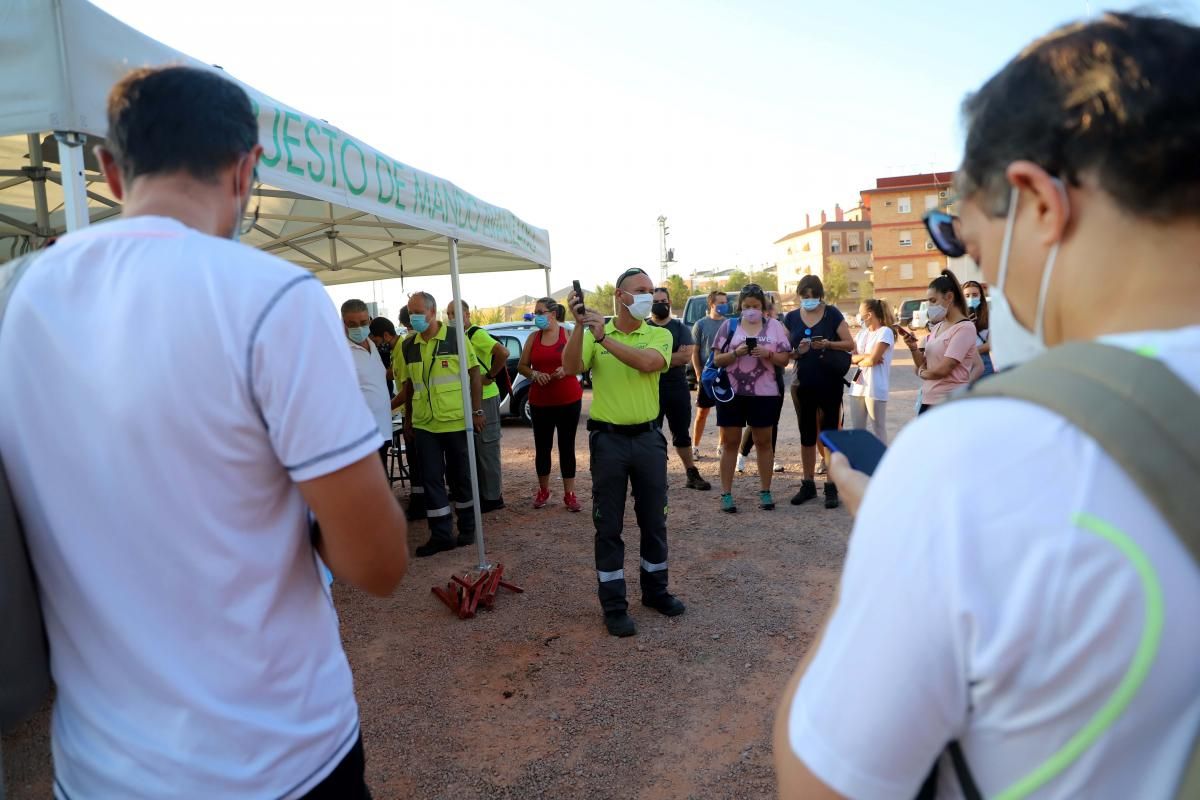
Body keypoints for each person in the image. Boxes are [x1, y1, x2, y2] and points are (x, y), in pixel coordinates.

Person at [775, 12, 1200, 798]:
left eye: (968, 242)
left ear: (1038, 202)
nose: (984, 277)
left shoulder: (983, 456)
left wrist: (892, 528)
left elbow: (822, 783)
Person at [0, 66, 407, 799]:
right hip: (283, 756)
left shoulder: (13, 301)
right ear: (247, 168)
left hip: (99, 772)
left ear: (111, 171)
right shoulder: (272, 297)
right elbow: (378, 563)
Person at [563, 267, 685, 638]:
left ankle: (655, 591)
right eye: (640, 290)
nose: (649, 296)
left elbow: (647, 363)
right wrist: (580, 327)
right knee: (608, 525)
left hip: (648, 439)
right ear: (620, 295)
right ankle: (614, 605)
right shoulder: (594, 332)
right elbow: (570, 368)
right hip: (609, 441)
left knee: (654, 520)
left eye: (651, 290)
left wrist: (604, 340)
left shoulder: (659, 334)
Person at [395, 291, 485, 557]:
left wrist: (477, 411)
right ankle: (441, 535)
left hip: (455, 421)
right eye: (411, 312)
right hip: (425, 425)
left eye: (418, 312)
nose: (414, 317)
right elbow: (409, 386)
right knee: (432, 480)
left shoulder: (456, 337)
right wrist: (408, 419)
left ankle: (467, 528)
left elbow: (475, 373)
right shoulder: (409, 345)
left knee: (461, 478)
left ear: (432, 313)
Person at [710, 284, 793, 513]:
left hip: (765, 394)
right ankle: (726, 494)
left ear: (763, 307)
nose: (751, 310)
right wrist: (736, 353)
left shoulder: (774, 326)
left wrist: (768, 354)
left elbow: (785, 359)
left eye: (755, 306)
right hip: (732, 394)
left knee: (764, 442)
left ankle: (765, 491)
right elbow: (717, 360)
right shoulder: (729, 326)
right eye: (747, 306)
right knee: (730, 442)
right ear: (740, 307)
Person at [784, 275, 853, 509]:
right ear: (799, 295)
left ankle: (831, 487)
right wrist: (797, 351)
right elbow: (785, 352)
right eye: (805, 296)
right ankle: (808, 484)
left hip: (830, 383)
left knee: (830, 434)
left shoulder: (832, 314)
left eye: (813, 296)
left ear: (820, 295)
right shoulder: (791, 317)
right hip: (802, 384)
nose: (809, 300)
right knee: (806, 435)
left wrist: (828, 344)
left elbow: (849, 343)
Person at [517, 298, 584, 511]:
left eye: (540, 312)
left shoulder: (568, 333)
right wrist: (535, 374)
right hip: (540, 402)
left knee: (567, 447)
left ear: (553, 314)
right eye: (535, 312)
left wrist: (566, 369)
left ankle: (569, 494)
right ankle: (543, 490)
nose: (536, 316)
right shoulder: (533, 338)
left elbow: (581, 363)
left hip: (568, 399)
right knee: (542, 448)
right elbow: (522, 366)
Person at [446, 299, 510, 512]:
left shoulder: (476, 334)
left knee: (487, 446)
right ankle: (482, 493)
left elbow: (502, 353)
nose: (452, 318)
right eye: (449, 314)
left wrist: (490, 375)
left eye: (456, 313)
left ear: (467, 315)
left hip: (485, 396)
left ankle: (493, 497)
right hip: (471, 397)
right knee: (474, 448)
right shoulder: (456, 337)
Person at [649, 287, 712, 490]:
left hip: (676, 388)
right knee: (650, 436)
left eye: (663, 300)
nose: (660, 304)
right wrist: (669, 358)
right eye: (656, 301)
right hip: (649, 389)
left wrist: (653, 360)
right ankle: (652, 479)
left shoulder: (679, 327)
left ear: (669, 301)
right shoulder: (644, 329)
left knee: (681, 434)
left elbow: (685, 357)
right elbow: (641, 358)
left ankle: (691, 474)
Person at [899, 269, 979, 414]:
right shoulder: (938, 327)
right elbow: (923, 364)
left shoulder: (964, 328)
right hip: (929, 399)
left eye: (933, 300)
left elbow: (942, 370)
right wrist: (913, 348)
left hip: (950, 402)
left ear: (949, 297)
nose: (930, 306)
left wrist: (922, 373)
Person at [736, 298, 785, 474]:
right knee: (754, 423)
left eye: (772, 315)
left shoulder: (777, 327)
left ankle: (770, 457)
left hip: (774, 379)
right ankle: (742, 454)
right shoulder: (745, 327)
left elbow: (785, 353)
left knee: (772, 423)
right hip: (750, 382)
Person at [342, 299, 393, 465]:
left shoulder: (372, 344)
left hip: (382, 430)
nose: (358, 328)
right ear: (343, 324)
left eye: (363, 322)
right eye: (352, 324)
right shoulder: (339, 351)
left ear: (369, 321)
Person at [391, 310, 425, 521]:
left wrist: (387, 408)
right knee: (417, 461)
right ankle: (420, 500)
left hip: (417, 412)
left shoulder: (408, 345)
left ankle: (421, 503)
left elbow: (408, 388)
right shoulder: (407, 345)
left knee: (419, 461)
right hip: (415, 411)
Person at [847, 298, 896, 443]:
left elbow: (873, 360)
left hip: (875, 387)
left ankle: (883, 463)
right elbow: (850, 358)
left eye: (860, 312)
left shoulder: (885, 332)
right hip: (857, 387)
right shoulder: (861, 334)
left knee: (878, 429)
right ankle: (862, 461)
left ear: (869, 315)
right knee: (858, 430)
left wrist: (866, 358)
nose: (858, 316)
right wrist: (867, 357)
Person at [690, 290, 728, 459]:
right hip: (706, 374)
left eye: (725, 302)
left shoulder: (729, 324)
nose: (724, 305)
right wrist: (698, 373)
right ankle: (695, 447)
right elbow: (695, 351)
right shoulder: (700, 325)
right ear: (712, 304)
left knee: (724, 413)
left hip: (724, 374)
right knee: (701, 413)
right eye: (720, 302)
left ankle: (721, 446)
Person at [963, 279, 995, 376]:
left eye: (975, 295)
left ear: (981, 296)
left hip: (984, 363)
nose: (971, 298)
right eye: (967, 296)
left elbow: (990, 344)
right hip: (963, 366)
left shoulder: (989, 316)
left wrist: (966, 352)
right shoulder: (957, 317)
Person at [368, 316, 399, 395]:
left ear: (385, 335)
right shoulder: (395, 349)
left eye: (376, 341)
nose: (377, 345)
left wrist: (389, 405)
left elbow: (407, 389)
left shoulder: (403, 349)